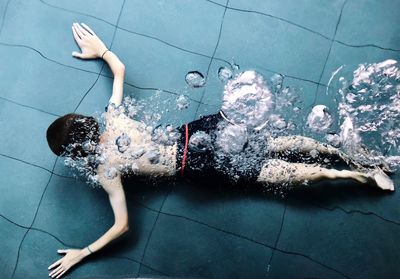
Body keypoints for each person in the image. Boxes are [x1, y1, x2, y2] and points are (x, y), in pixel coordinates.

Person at [45, 23, 394, 278]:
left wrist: (82, 253)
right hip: (197, 150)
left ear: (78, 152)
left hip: (196, 148)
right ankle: (362, 173)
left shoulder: (108, 166)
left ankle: (356, 162)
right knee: (283, 162)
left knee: (282, 147)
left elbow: (122, 226)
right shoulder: (113, 124)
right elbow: (118, 68)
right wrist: (102, 51)